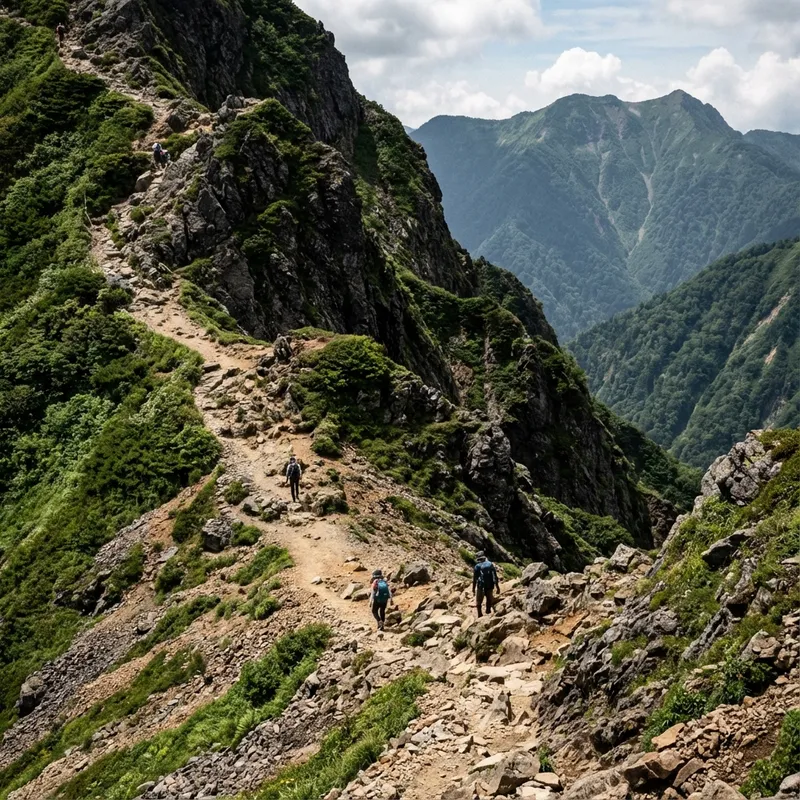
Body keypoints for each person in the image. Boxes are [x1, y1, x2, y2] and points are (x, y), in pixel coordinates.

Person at [473, 551, 499, 618]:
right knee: (489, 599)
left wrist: (473, 588)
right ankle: (488, 611)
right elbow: (495, 576)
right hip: (490, 585)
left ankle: (480, 614)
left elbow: (474, 579)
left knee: (479, 601)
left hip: (480, 586)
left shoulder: (477, 566)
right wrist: (497, 587)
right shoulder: (490, 564)